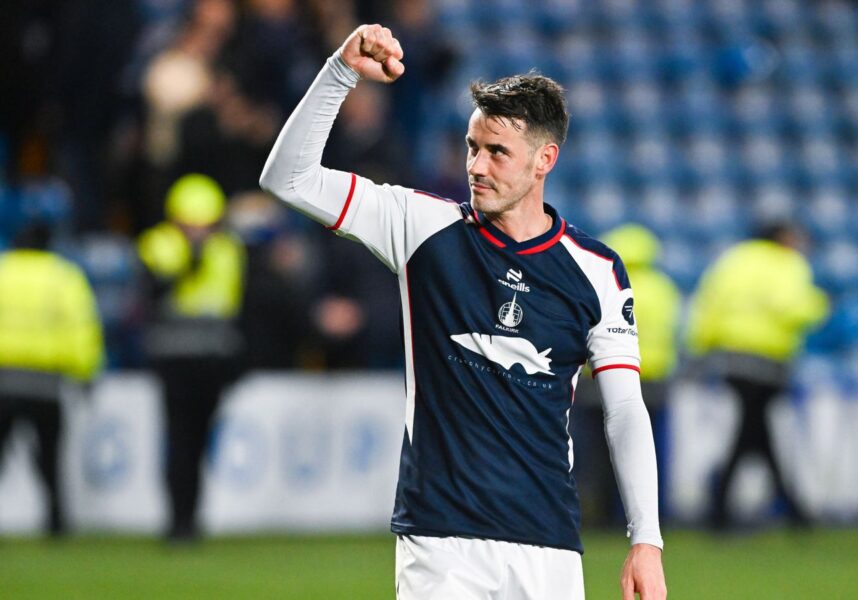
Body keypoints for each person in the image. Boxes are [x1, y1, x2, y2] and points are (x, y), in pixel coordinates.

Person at [260, 24, 666, 600]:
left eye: (498, 152)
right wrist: (340, 71)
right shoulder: (420, 225)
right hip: (440, 544)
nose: (477, 165)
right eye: (473, 147)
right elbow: (288, 178)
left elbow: (624, 408)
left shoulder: (597, 270)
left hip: (548, 545)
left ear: (544, 159)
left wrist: (645, 539)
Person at [687, 221, 828, 531]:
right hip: (767, 361)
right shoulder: (787, 264)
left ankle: (779, 508)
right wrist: (820, 305)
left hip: (732, 358)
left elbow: (707, 306)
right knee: (752, 432)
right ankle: (731, 510)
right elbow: (791, 308)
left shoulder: (732, 261)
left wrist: (702, 347)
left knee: (754, 430)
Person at [136, 173, 246, 542]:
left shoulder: (229, 249)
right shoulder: (157, 246)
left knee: (200, 442)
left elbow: (236, 307)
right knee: (180, 441)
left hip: (212, 361)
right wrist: (186, 265)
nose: (199, 233)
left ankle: (192, 518)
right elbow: (150, 298)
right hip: (174, 359)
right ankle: (177, 521)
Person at [572, 224, 681, 526]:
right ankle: (645, 516)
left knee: (596, 451)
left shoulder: (597, 280)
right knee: (645, 449)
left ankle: (597, 514)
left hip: (599, 378)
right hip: (651, 378)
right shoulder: (663, 287)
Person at [0, 221, 104, 535]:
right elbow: (81, 328)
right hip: (45, 383)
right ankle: (56, 522)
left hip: (3, 381)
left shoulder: (3, 271)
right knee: (49, 458)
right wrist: (86, 372)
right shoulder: (63, 277)